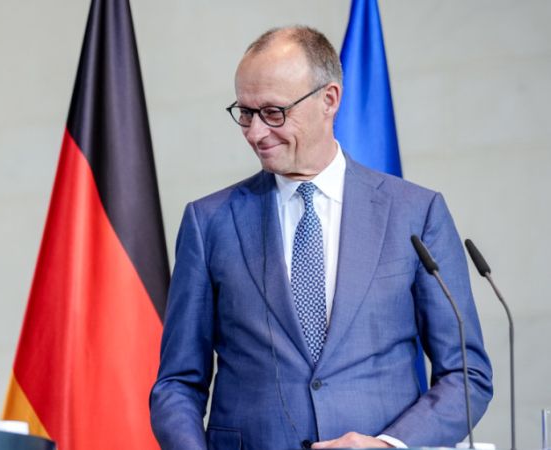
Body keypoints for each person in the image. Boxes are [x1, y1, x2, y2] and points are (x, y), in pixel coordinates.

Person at [150, 26, 492, 449]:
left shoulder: (415, 213)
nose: (256, 133)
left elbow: (466, 374)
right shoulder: (209, 223)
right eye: (245, 113)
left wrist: (388, 445)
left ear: (329, 99)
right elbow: (177, 383)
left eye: (273, 112)